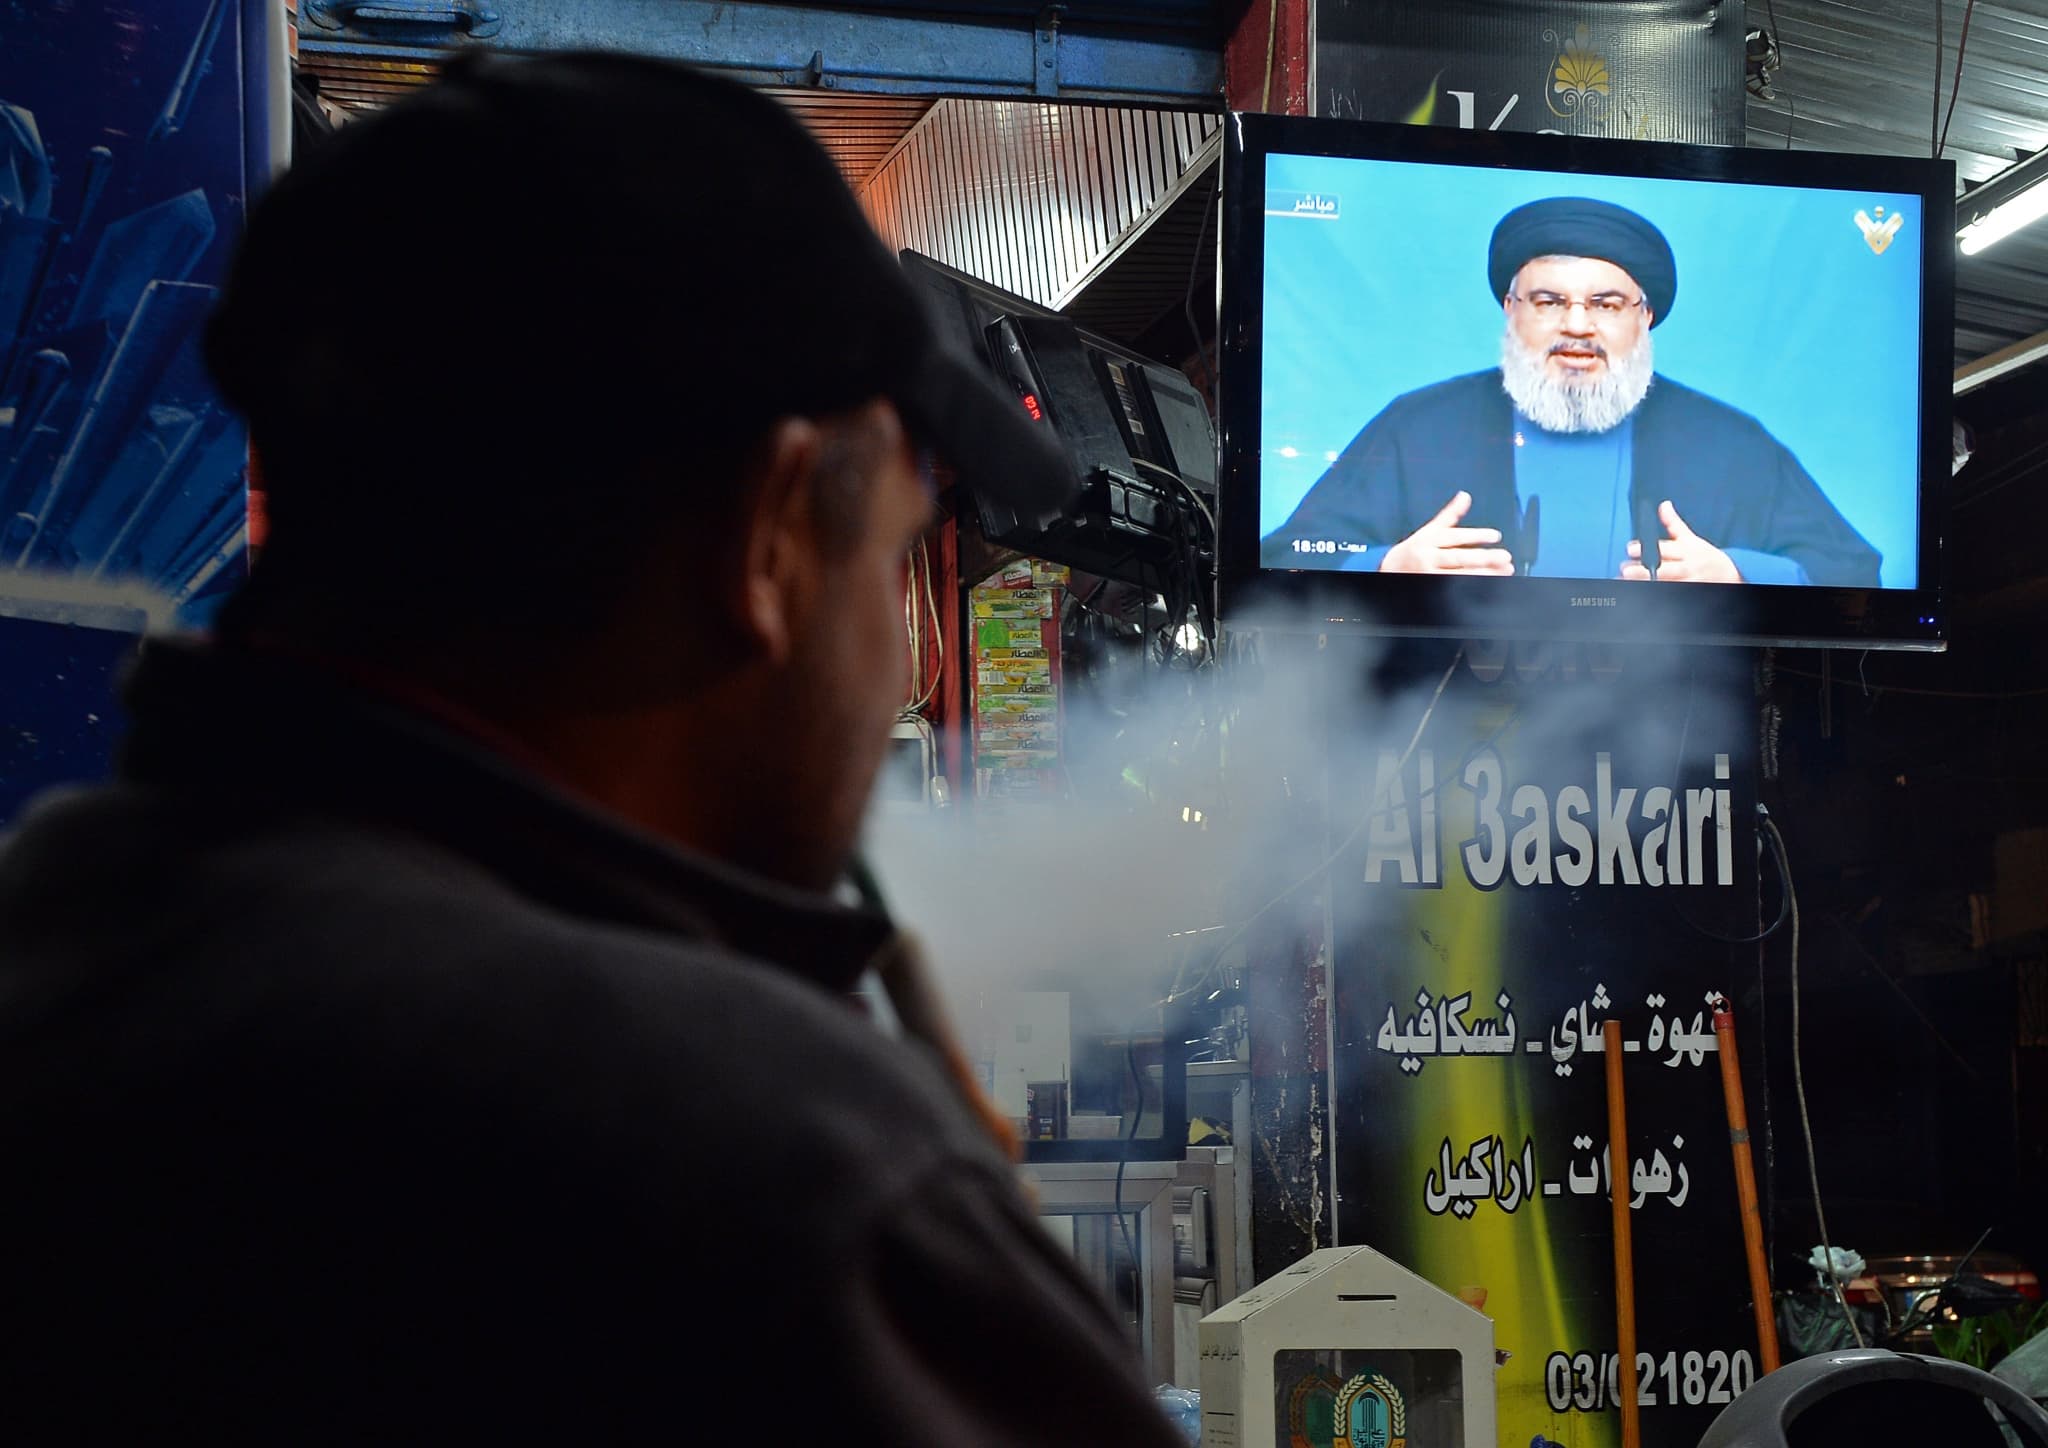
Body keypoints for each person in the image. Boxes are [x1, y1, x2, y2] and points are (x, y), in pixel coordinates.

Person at [0, 52, 1187, 1444]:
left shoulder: (55, 946)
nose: (899, 675)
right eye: (891, 561)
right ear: (770, 540)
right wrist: (952, 1219)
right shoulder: (777, 1182)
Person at [1261, 196, 1882, 586]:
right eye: (1550, 300)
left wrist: (1739, 574)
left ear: (1645, 317)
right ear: (1511, 310)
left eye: (1606, 303)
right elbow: (1282, 557)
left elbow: (1856, 572)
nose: (1578, 324)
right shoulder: (1418, 425)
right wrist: (1388, 566)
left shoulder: (1730, 442)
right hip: (1444, 745)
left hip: (1679, 761)